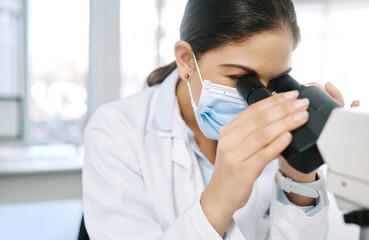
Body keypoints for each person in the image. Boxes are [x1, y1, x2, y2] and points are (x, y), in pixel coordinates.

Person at [82, 0, 360, 239]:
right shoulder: (115, 130)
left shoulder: (278, 134)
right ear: (186, 60)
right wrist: (219, 199)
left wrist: (298, 176)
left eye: (276, 81)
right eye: (241, 79)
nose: (259, 101)